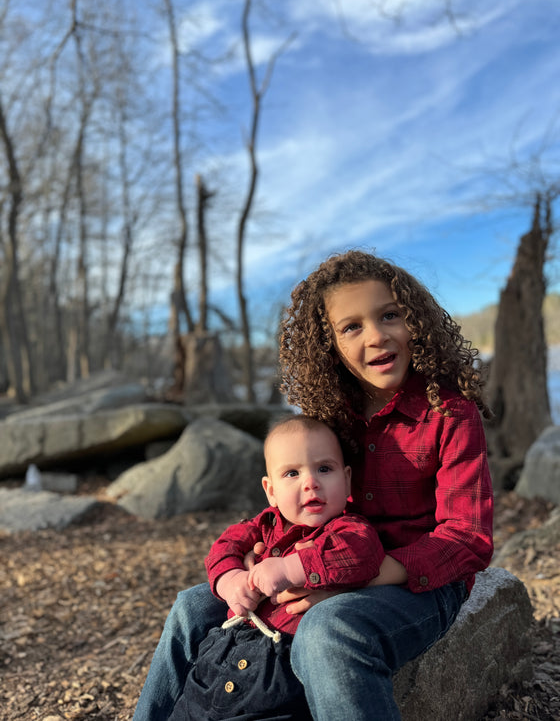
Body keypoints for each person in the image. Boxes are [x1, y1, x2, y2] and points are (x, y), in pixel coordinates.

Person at [133, 249, 494, 721]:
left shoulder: (449, 414)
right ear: (329, 345)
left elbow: (468, 540)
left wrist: (347, 581)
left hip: (417, 583)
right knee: (194, 605)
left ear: (417, 321)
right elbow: (290, 504)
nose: (377, 335)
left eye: (390, 315)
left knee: (328, 628)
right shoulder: (330, 416)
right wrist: (246, 565)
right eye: (352, 327)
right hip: (315, 561)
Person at [167, 415, 384, 720]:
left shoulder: (348, 528)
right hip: (222, 653)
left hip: (279, 664)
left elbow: (362, 554)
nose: (311, 482)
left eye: (324, 468)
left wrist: (290, 568)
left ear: (347, 479)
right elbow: (225, 546)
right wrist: (231, 580)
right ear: (270, 490)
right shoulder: (266, 523)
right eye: (292, 473)